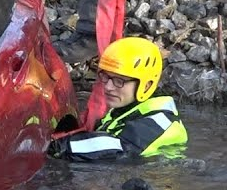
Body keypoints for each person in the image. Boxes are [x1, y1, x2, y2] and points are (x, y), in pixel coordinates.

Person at [49, 36, 185, 163]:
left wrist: (55, 147)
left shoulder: (161, 121)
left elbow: (120, 147)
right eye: (105, 77)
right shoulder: (126, 110)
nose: (108, 87)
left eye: (119, 81)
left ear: (146, 85)